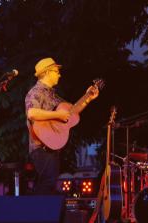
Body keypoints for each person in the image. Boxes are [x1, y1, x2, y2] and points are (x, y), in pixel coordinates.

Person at [25, 57, 98, 194]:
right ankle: (37, 214)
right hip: (41, 148)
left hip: (51, 147)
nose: (59, 74)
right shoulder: (36, 92)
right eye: (56, 71)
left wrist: (88, 98)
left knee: (49, 183)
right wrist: (57, 115)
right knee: (47, 182)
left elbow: (71, 113)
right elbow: (32, 113)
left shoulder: (53, 95)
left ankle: (41, 213)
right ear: (47, 72)